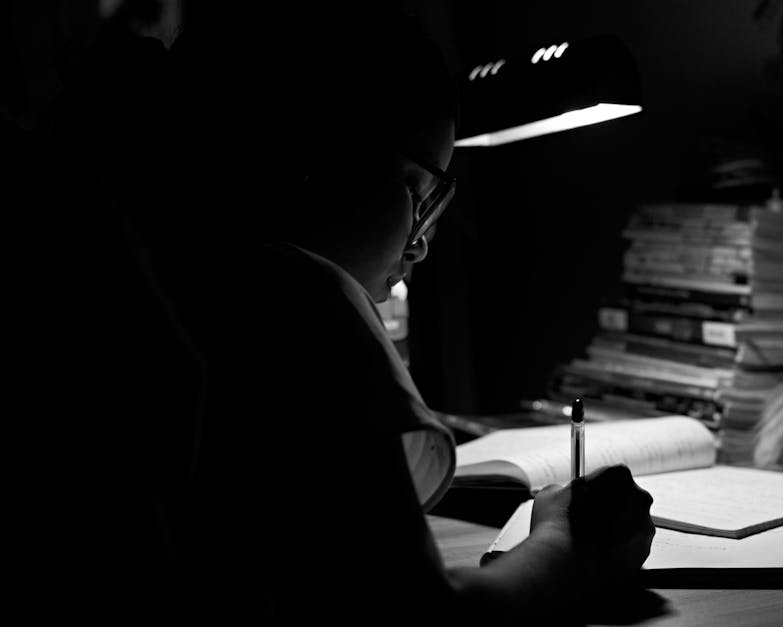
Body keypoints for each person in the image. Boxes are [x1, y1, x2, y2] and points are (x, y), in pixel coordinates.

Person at [135, 1, 656, 624]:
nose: (422, 241)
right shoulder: (303, 305)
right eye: (422, 193)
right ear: (314, 155)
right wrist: (567, 549)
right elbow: (423, 616)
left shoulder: (152, 275)